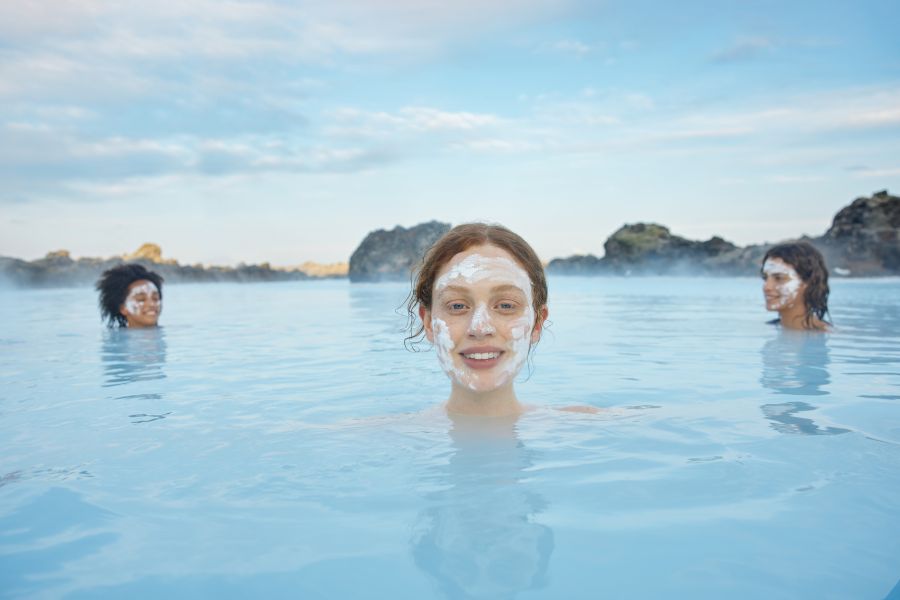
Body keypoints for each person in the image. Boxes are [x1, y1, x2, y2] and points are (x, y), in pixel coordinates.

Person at [407, 223, 550, 417]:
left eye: (506, 305)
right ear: (428, 323)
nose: (480, 327)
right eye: (457, 306)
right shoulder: (376, 436)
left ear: (537, 323)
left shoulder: (587, 426)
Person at [760, 241, 831, 331]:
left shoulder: (829, 335)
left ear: (808, 282)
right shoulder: (766, 329)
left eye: (779, 278)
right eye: (765, 278)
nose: (766, 287)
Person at [96, 263, 164, 328]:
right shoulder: (118, 339)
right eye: (141, 299)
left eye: (155, 298)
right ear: (122, 308)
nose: (152, 304)